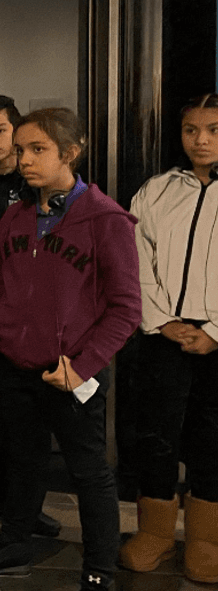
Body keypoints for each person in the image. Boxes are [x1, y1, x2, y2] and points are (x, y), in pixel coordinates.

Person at [0, 108, 139, 591]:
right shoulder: (16, 218)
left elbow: (125, 308)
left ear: (70, 153)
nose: (25, 160)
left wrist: (83, 366)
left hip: (71, 372)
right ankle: (14, 545)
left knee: (89, 472)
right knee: (21, 463)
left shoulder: (106, 219)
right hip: (16, 366)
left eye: (38, 150)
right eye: (21, 151)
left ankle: (100, 569)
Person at [121, 94, 218, 583]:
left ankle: (206, 540)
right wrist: (162, 321)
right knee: (155, 436)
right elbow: (134, 261)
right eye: (191, 130)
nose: (201, 140)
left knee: (213, 438)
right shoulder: (156, 191)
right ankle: (156, 533)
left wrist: (214, 332)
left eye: (214, 130)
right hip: (162, 336)